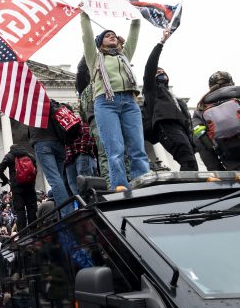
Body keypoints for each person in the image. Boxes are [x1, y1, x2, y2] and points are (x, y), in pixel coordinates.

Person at [80, 12, 150, 190]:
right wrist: (84, 14)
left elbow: (135, 31)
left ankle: (142, 182)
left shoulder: (124, 55)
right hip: (105, 103)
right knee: (115, 149)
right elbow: (87, 35)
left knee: (137, 147)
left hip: (129, 102)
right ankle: (119, 184)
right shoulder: (94, 58)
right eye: (106, 35)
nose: (111, 36)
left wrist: (135, 14)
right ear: (99, 43)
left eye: (113, 35)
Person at [142, 29, 198, 171]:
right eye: (158, 72)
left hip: (181, 129)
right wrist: (160, 44)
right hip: (166, 126)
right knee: (188, 161)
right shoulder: (151, 90)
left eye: (163, 72)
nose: (161, 73)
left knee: (191, 163)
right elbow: (150, 67)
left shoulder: (173, 97)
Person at [0, 144, 38, 231]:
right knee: (32, 208)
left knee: (20, 210)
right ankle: (34, 231)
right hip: (30, 186)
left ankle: (22, 232)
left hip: (17, 187)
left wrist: (6, 180)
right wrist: (31, 180)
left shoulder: (9, 156)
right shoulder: (29, 155)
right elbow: (35, 169)